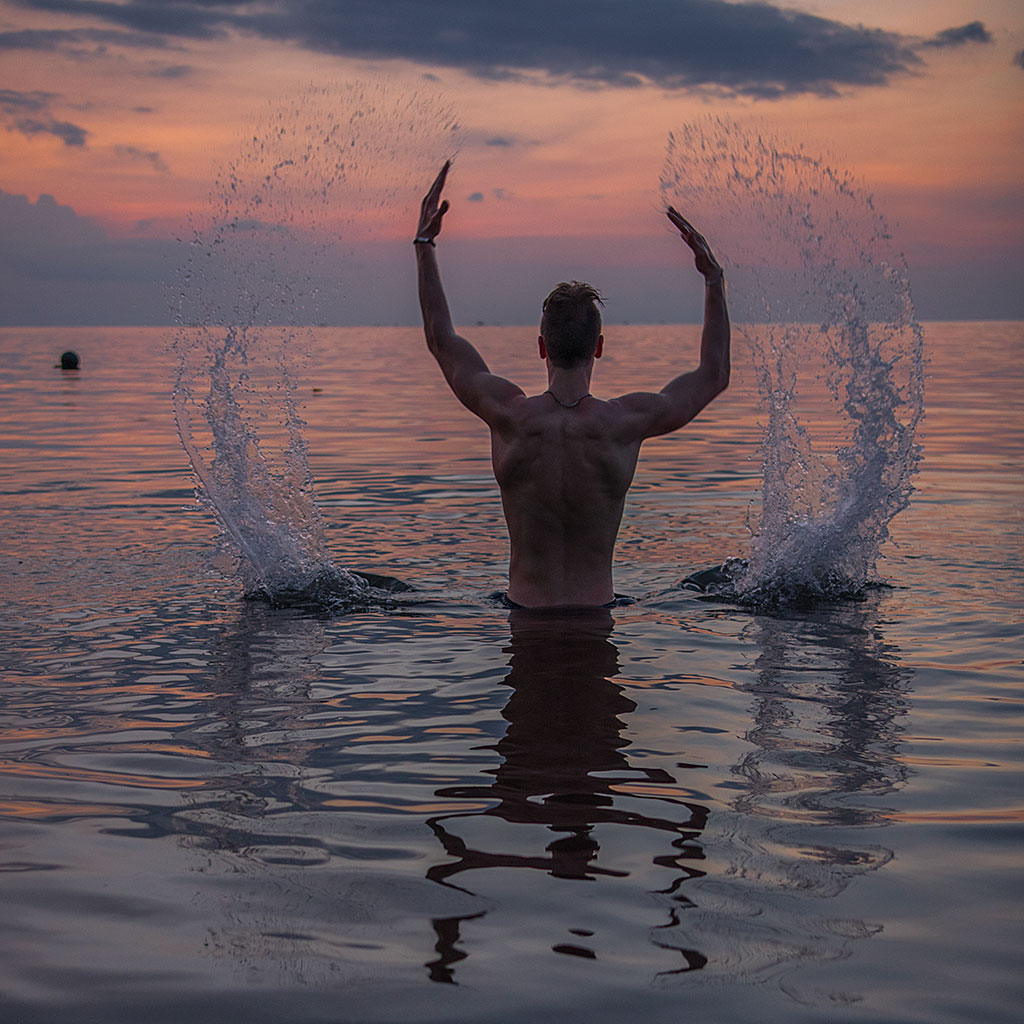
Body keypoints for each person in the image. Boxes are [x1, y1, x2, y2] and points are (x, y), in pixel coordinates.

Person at [415, 161, 730, 609]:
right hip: (598, 619)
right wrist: (713, 280)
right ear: (598, 346)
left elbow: (441, 340)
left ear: (541, 346)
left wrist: (424, 245)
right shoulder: (626, 422)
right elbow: (713, 375)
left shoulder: (508, 415)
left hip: (524, 619)